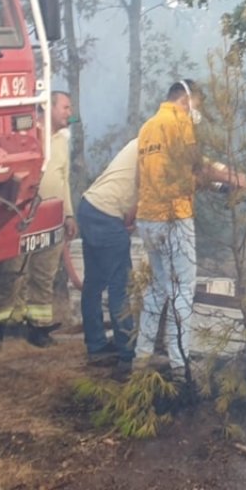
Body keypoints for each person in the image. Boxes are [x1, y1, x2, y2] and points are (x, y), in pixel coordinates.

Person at [132, 79, 246, 383]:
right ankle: (180, 364)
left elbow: (157, 174)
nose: (198, 111)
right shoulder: (179, 121)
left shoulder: (148, 127)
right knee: (183, 291)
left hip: (148, 217)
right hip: (175, 217)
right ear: (186, 99)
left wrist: (216, 184)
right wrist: (233, 177)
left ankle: (141, 357)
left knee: (158, 289)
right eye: (198, 104)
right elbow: (197, 166)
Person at [0, 91, 77, 348]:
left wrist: (68, 214)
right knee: (12, 273)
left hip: (52, 219)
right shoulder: (25, 138)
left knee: (44, 275)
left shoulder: (61, 141)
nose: (69, 113)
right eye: (66, 107)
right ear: (47, 109)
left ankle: (38, 330)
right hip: (21, 217)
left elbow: (64, 180)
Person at [77, 138, 138, 370]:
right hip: (109, 214)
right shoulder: (157, 147)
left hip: (89, 206)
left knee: (94, 282)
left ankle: (96, 346)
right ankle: (126, 354)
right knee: (120, 285)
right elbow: (145, 187)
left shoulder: (138, 142)